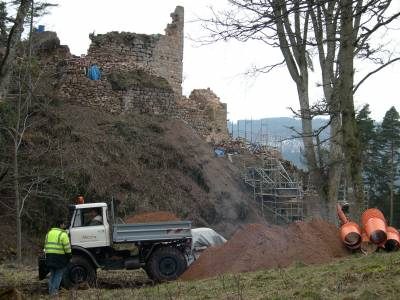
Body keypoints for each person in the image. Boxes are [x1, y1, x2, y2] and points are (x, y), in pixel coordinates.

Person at [44, 219, 71, 296]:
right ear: (60, 225)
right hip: (59, 258)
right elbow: (67, 248)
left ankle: (50, 292)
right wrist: (69, 256)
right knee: (58, 275)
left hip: (49, 257)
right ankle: (54, 293)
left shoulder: (48, 233)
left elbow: (45, 246)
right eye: (64, 224)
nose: (65, 226)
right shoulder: (63, 234)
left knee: (52, 275)